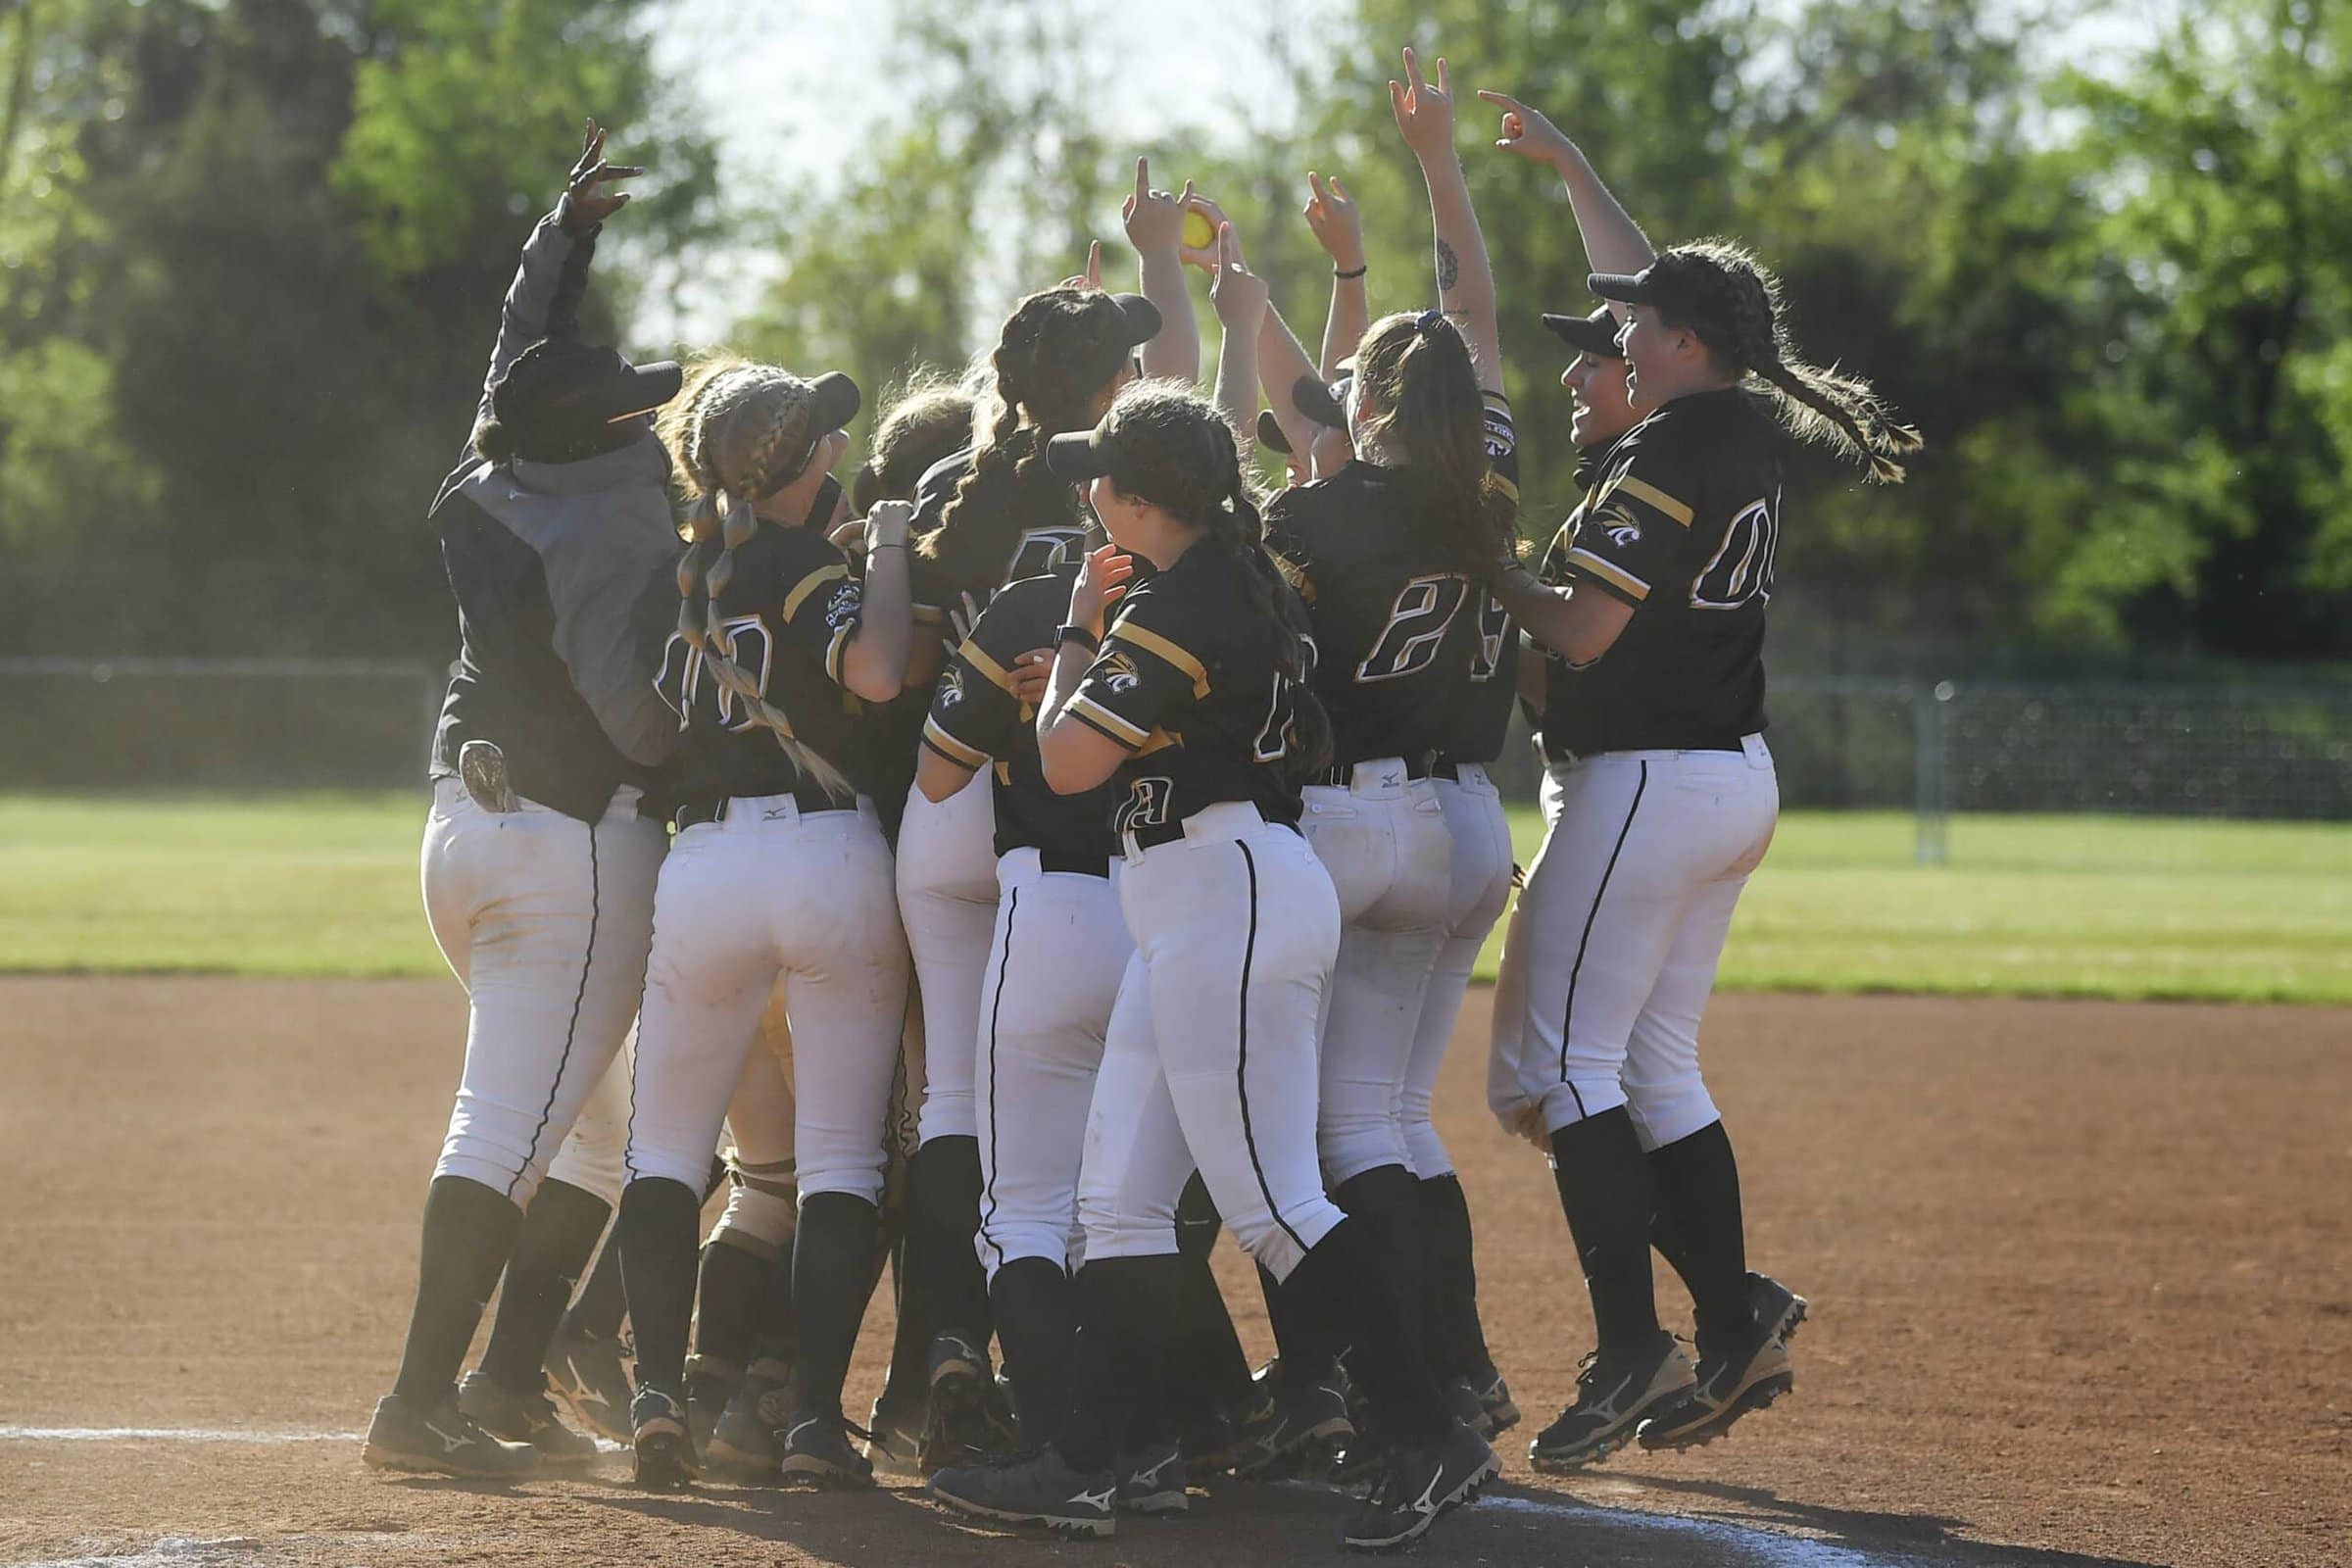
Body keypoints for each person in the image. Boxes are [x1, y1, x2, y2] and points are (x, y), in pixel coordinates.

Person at [1481, 89, 1917, 1467]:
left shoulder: (1663, 446)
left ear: (1678, 345)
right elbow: (1653, 277)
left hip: (1649, 785)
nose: (1611, 338)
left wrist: (1480, 569)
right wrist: (1569, 164)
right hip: (1725, 775)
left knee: (1562, 1069)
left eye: (1629, 330)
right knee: (1652, 1065)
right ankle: (1734, 1315)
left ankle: (1640, 1345)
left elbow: (1588, 632)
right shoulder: (1726, 424)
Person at [1010, 381, 1495, 1550]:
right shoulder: (1242, 578)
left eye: (1104, 475)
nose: (1089, 489)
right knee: (1117, 1206)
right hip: (1201, 891)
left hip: (1224, 892)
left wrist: (1079, 633)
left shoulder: (1195, 591)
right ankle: (1097, 1458)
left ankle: (1428, 1429)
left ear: (1137, 497)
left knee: (1277, 1205)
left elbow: (1065, 765)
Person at [361, 122, 688, 1480]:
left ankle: (503, 1387)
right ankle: (415, 1408)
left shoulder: (493, 464)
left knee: (592, 1138)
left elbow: (519, 358)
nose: (647, 412)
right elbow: (631, 717)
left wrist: (568, 234)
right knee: (511, 1128)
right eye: (629, 407)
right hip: (573, 850)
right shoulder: (615, 520)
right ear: (602, 433)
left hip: (462, 829)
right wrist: (714, 741)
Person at [894, 187, 1186, 1473]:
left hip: (948, 803)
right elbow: (1181, 379)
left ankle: (945, 1350)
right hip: (1073, 819)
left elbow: (911, 656)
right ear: (1111, 380)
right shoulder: (1154, 478)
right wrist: (1160, 263)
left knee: (954, 1094)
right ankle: (1101, 1379)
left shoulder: (974, 479)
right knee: (1103, 1097)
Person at [612, 358, 919, 1491]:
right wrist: (886, 552)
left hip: (703, 867)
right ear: (799, 464)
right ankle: (812, 1425)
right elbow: (880, 674)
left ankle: (656, 1397)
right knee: (837, 1163)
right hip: (826, 852)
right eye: (824, 441)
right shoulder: (803, 563)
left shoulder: (684, 579)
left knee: (667, 1151)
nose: (839, 449)